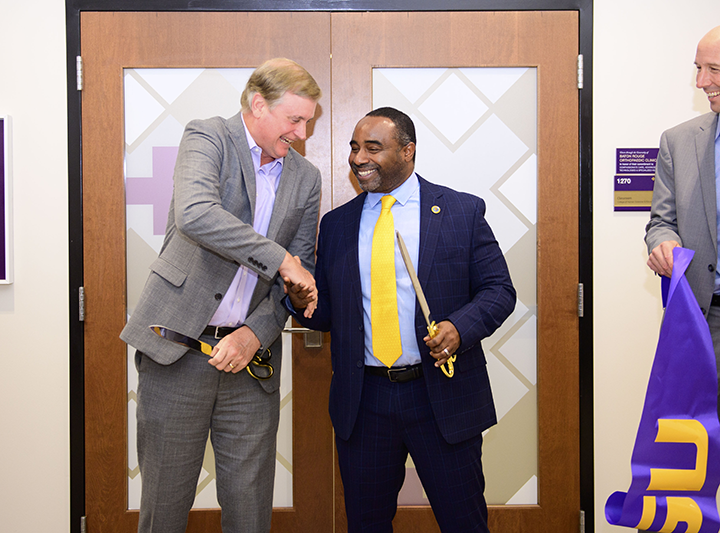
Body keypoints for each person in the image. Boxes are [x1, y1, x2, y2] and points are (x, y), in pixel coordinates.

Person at [284, 107, 516, 532]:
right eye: (355, 147)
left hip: (441, 398)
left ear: (408, 151)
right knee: (367, 524)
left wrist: (459, 329)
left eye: (373, 147)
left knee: (463, 522)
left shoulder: (461, 212)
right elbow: (327, 315)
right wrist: (302, 301)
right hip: (364, 402)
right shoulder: (337, 225)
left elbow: (499, 291)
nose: (358, 158)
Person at [120, 58, 322, 533]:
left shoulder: (306, 178)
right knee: (163, 509)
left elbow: (300, 273)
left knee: (250, 513)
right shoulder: (208, 136)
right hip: (177, 350)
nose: (302, 131)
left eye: (308, 121)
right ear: (258, 104)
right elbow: (197, 214)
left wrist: (256, 333)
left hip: (249, 365)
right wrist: (279, 258)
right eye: (294, 119)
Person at [645, 25, 720, 406]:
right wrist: (664, 243)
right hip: (705, 322)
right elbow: (660, 222)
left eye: (714, 70)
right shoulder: (678, 141)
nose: (701, 81)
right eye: (698, 68)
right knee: (704, 444)